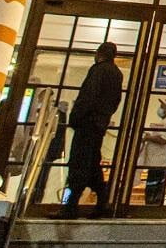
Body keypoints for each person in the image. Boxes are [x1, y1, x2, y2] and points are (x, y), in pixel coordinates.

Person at [52, 42, 122, 219]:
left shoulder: (98, 70)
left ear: (99, 53)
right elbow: (115, 101)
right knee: (91, 164)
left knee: (79, 163)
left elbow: (89, 95)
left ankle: (70, 205)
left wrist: (76, 117)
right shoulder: (116, 73)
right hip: (99, 123)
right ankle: (102, 203)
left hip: (88, 123)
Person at [137, 97, 166, 205]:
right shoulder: (165, 121)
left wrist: (148, 138)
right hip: (156, 162)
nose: (161, 109)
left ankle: (152, 208)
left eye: (163, 106)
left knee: (154, 189)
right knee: (152, 188)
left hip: (160, 163)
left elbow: (164, 140)